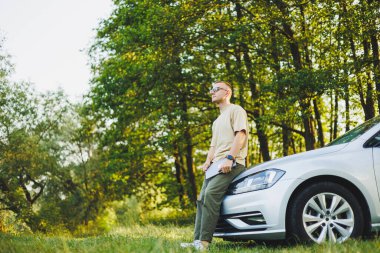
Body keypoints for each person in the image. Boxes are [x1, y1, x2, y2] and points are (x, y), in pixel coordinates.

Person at [181, 81, 249, 250]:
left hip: (233, 162)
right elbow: (213, 145)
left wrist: (230, 158)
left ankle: (204, 242)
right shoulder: (217, 121)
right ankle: (197, 240)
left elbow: (240, 135)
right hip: (216, 165)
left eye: (215, 89)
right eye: (211, 89)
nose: (211, 92)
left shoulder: (236, 110)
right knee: (201, 199)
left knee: (210, 194)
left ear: (227, 92)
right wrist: (207, 160)